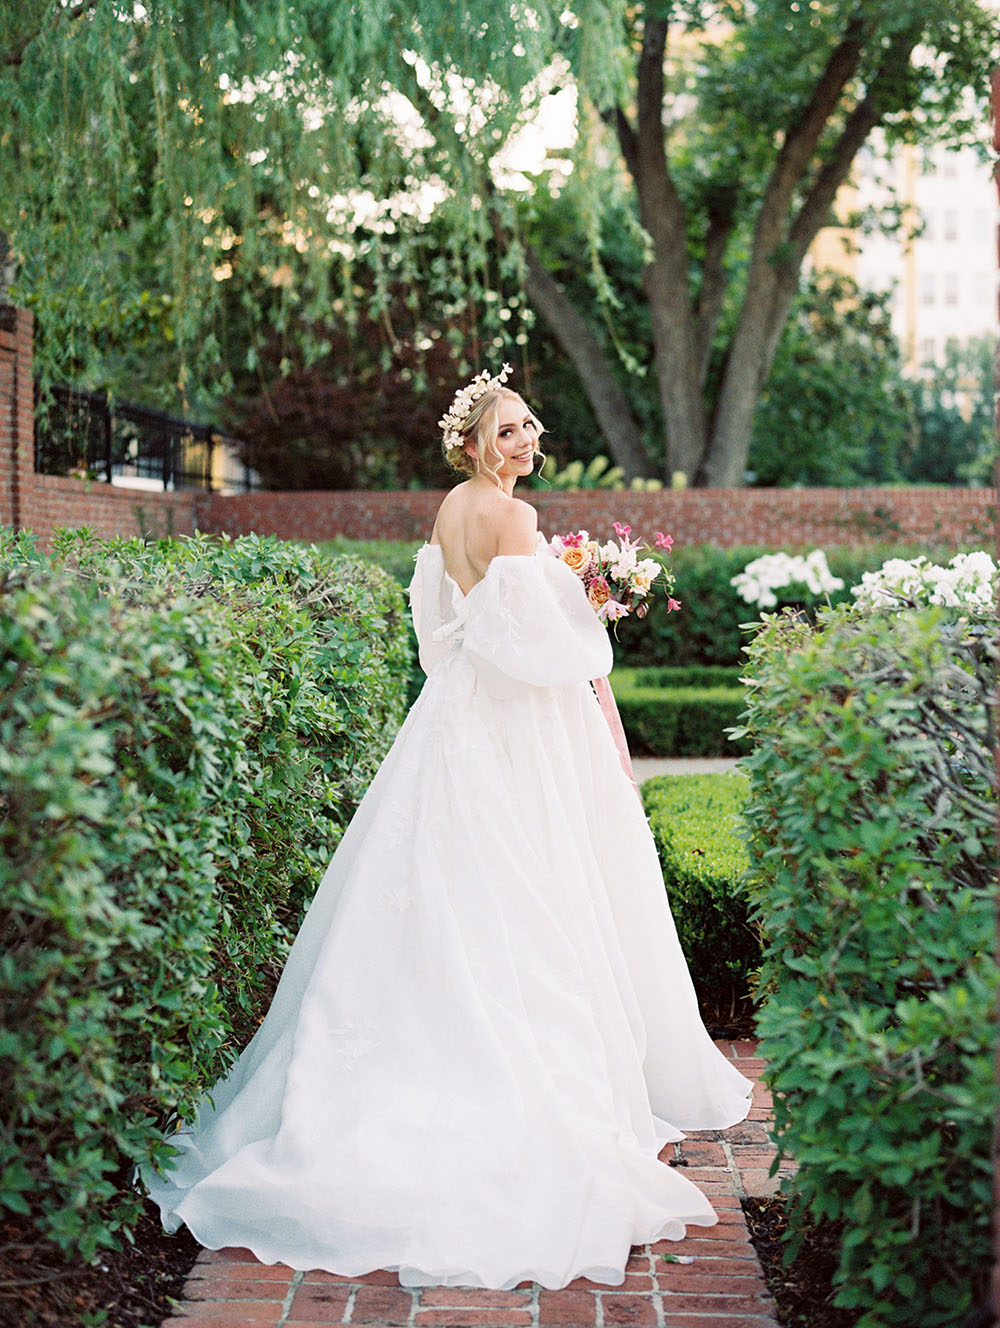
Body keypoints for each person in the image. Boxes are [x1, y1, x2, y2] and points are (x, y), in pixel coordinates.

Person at [143, 365, 753, 1291]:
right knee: (534, 890)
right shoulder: (514, 520)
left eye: (529, 426)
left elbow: (444, 631)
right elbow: (533, 649)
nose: (525, 440)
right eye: (506, 430)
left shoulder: (448, 512)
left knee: (445, 887)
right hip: (515, 727)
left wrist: (569, 598)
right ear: (472, 442)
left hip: (453, 719)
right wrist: (592, 620)